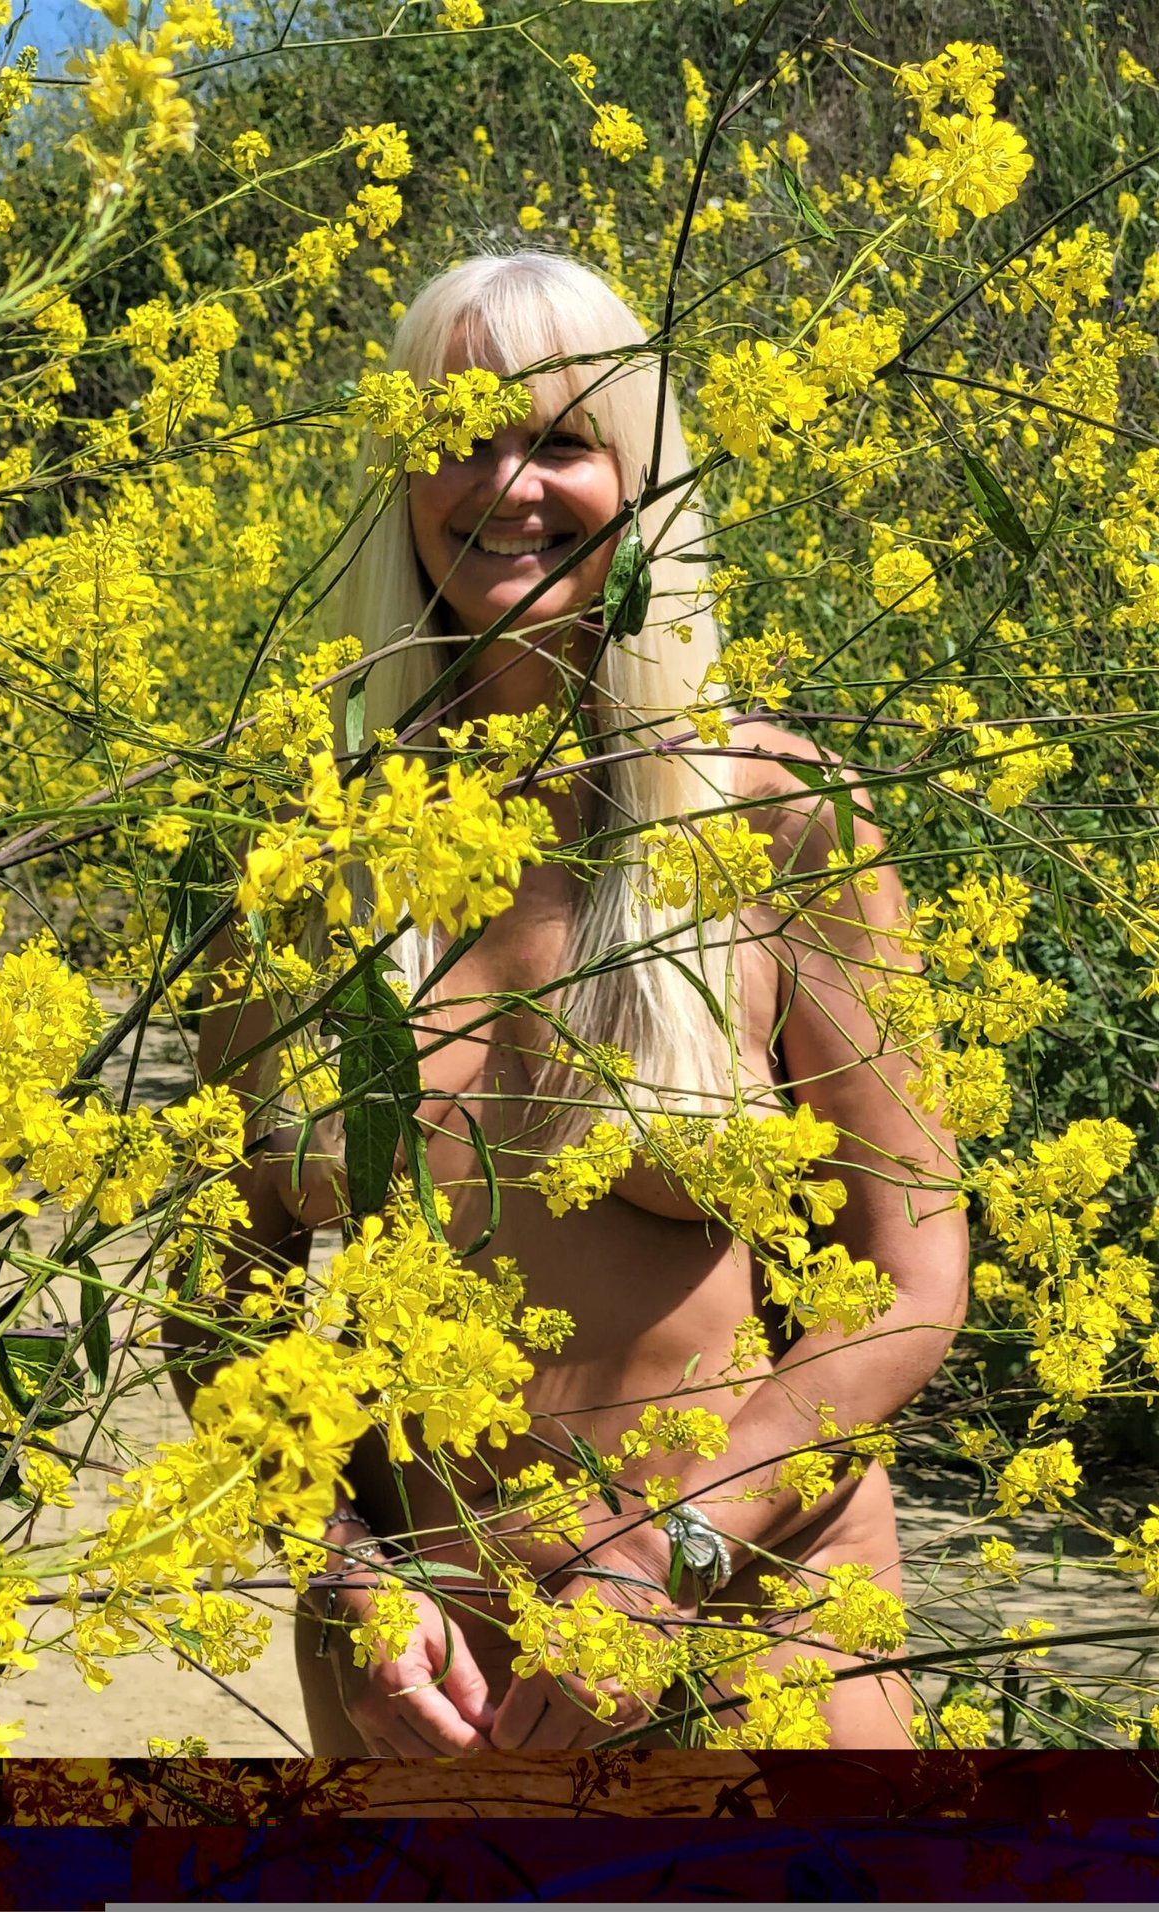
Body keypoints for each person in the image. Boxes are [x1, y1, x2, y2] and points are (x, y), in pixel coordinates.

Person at [173, 250, 969, 1755]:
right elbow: (222, 1291)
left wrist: (672, 1556)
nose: (508, 483)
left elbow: (914, 1271)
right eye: (459, 435)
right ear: (399, 477)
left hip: (751, 1621)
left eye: (561, 440)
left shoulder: (771, 811)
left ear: (641, 475)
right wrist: (340, 1565)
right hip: (430, 1678)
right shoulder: (305, 850)